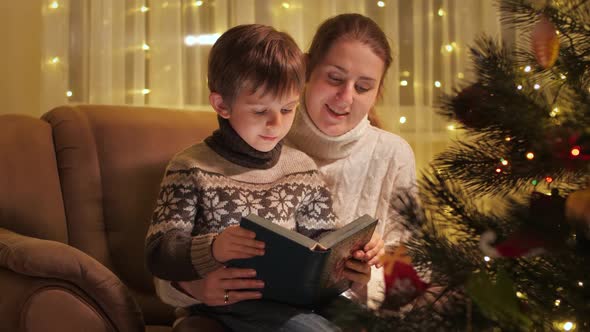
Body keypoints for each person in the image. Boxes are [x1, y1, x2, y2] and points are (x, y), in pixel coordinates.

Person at [157, 12, 414, 326]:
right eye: (334, 78)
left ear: (377, 92)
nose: (345, 97)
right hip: (232, 310)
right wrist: (195, 285)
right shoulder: (244, 138)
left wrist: (361, 268)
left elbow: (404, 277)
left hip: (318, 308)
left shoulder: (387, 156)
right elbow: (163, 257)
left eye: (363, 87)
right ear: (306, 70)